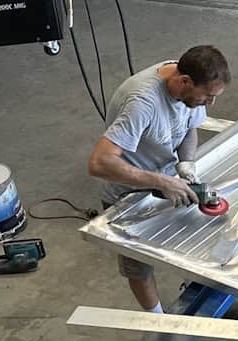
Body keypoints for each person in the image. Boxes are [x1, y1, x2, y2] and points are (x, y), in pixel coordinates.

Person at [88, 45, 229, 313]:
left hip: (167, 180)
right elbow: (99, 163)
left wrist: (186, 163)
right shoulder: (142, 103)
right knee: (139, 266)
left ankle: (199, 295)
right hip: (128, 194)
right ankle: (158, 322)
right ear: (185, 81)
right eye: (208, 97)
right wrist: (161, 182)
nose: (211, 103)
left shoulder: (187, 83)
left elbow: (190, 127)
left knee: (189, 238)